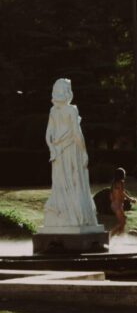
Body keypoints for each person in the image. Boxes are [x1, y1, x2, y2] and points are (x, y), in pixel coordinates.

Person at [43, 78, 99, 228]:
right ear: (68, 92)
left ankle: (62, 213)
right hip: (71, 151)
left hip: (58, 153)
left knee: (60, 183)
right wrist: (84, 152)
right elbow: (77, 134)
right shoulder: (71, 110)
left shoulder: (53, 111)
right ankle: (76, 216)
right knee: (74, 182)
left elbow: (48, 134)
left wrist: (52, 148)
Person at [110, 167, 136, 236]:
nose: (125, 175)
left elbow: (112, 195)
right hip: (117, 205)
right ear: (122, 175)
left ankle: (120, 237)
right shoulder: (120, 183)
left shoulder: (114, 183)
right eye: (124, 174)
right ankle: (110, 235)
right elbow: (122, 193)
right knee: (122, 223)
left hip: (116, 204)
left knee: (123, 221)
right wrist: (130, 199)